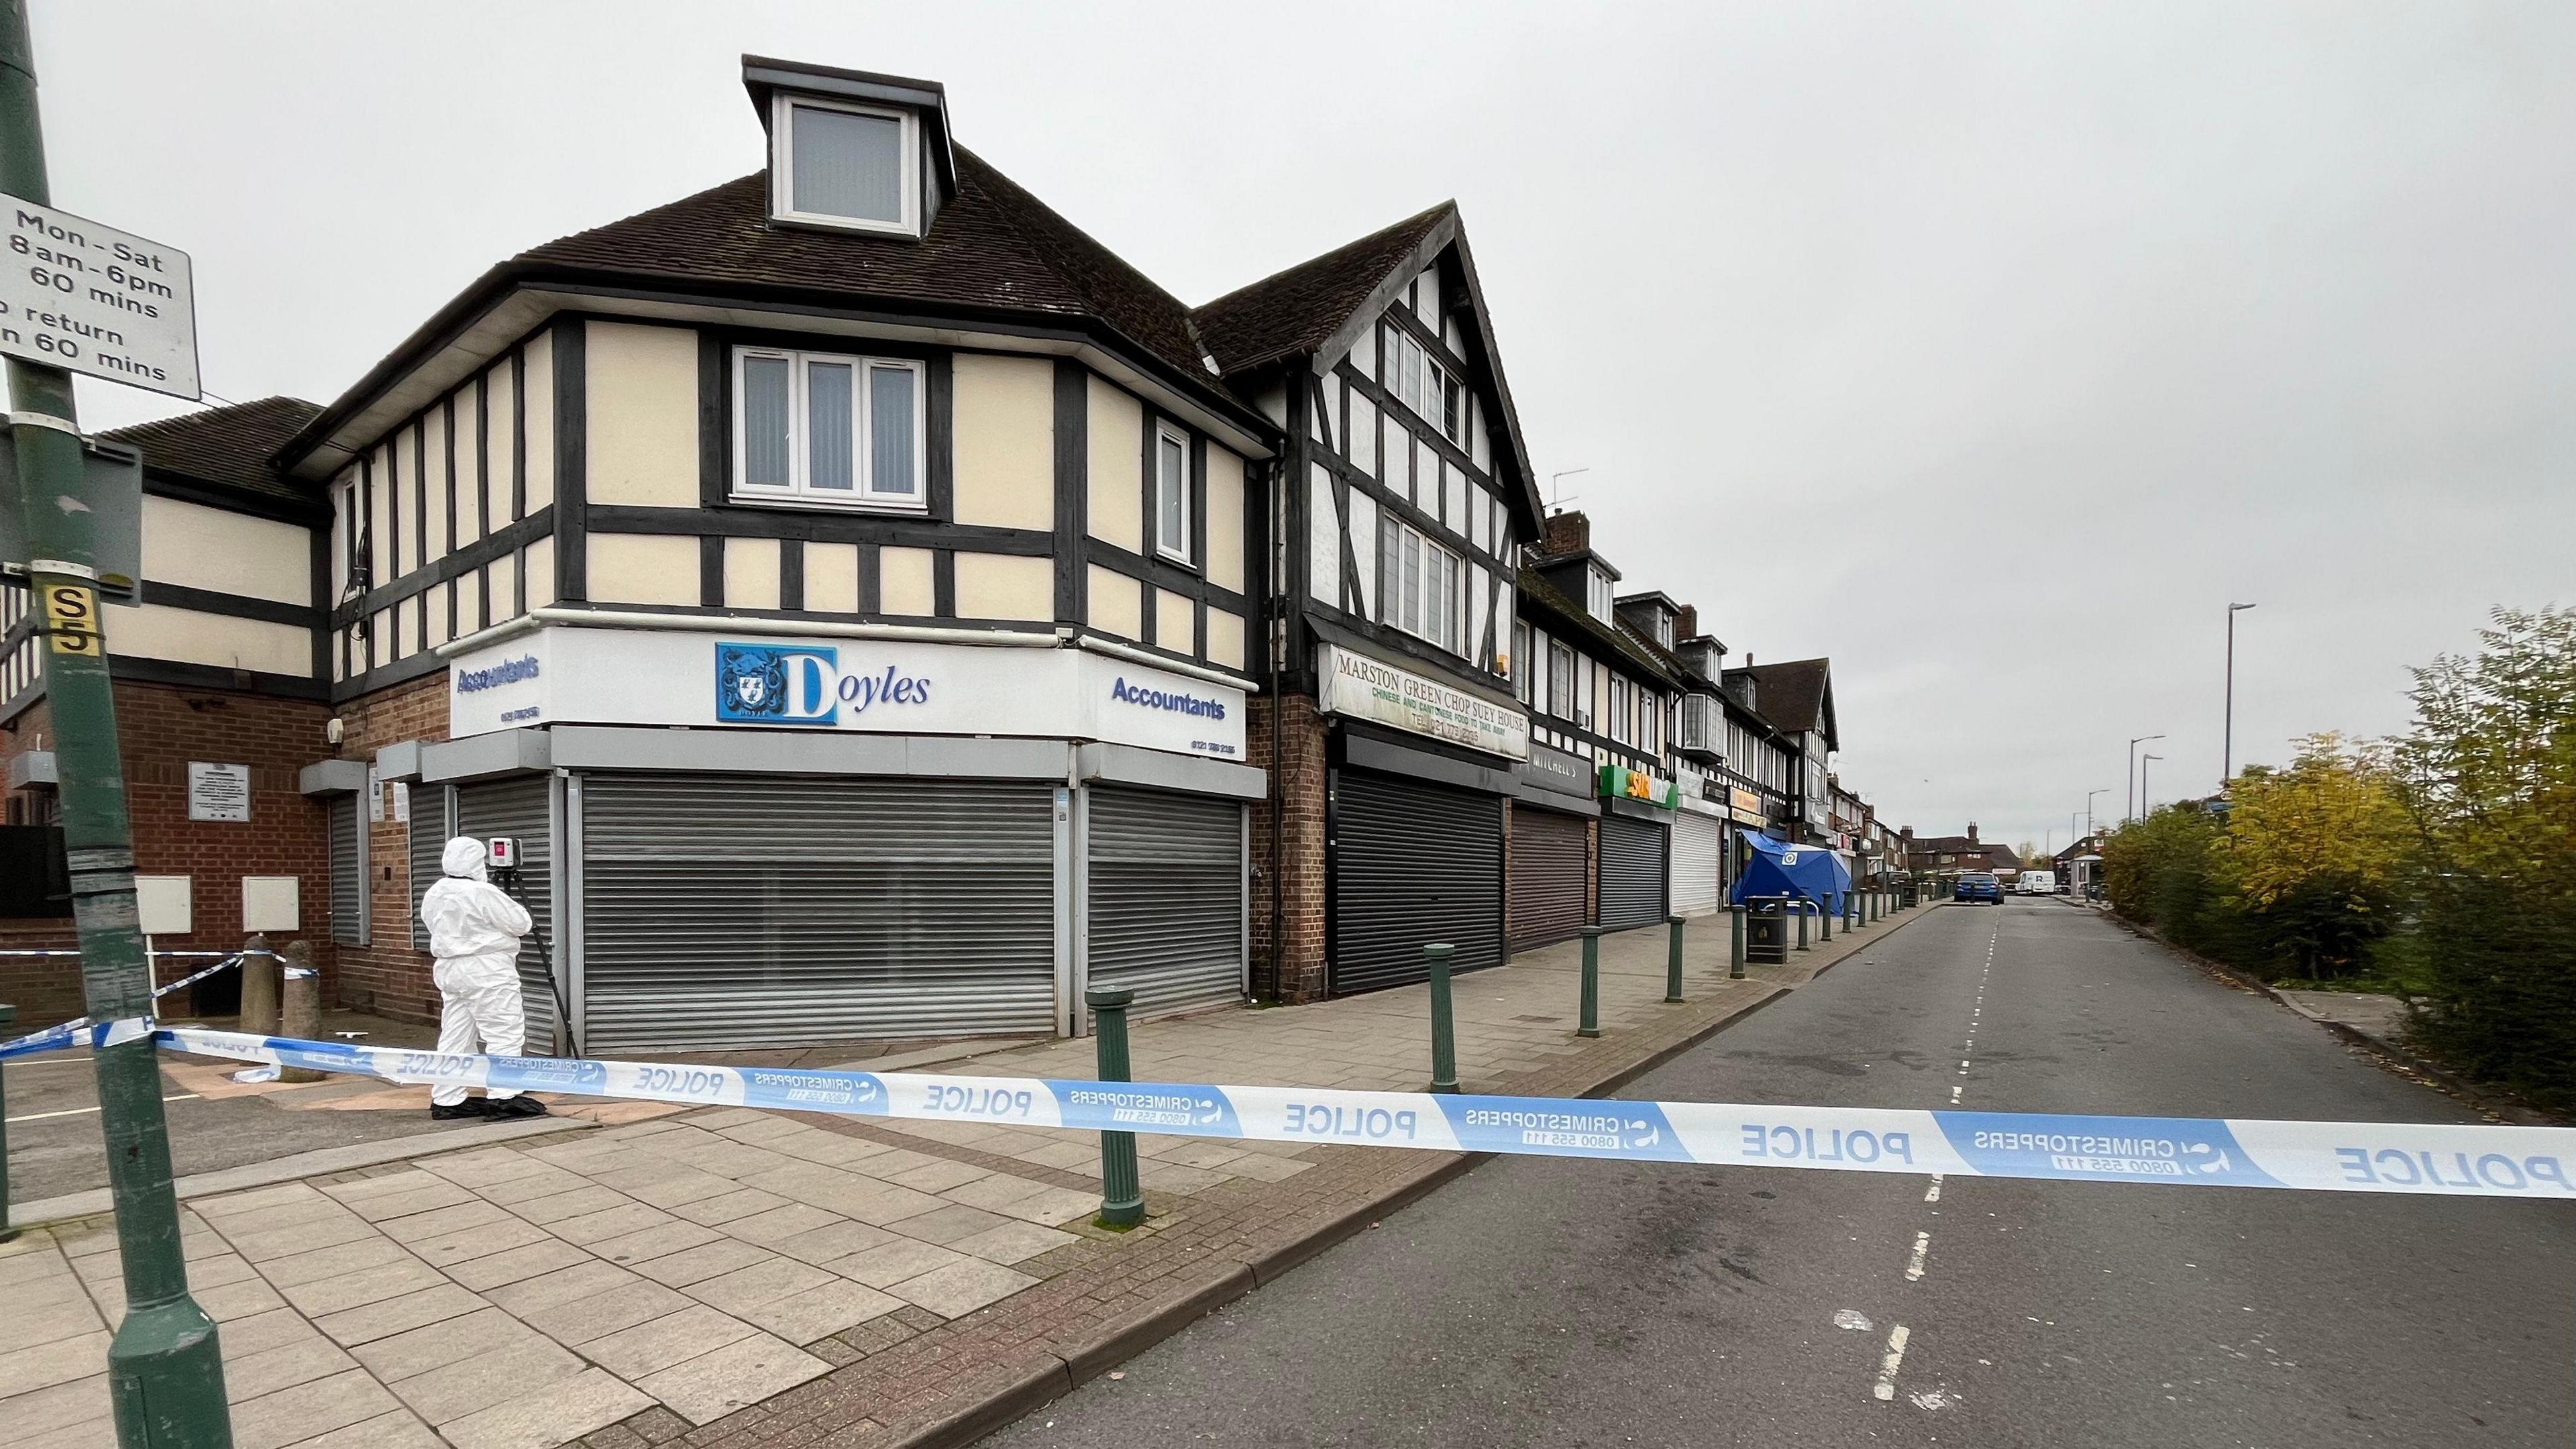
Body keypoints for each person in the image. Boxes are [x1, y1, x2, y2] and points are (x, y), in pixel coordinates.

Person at [419, 837, 547, 1121]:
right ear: (477, 862)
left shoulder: (435, 892)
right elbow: (522, 923)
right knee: (504, 1031)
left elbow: (430, 923)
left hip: (449, 969)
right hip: (487, 969)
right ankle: (504, 1097)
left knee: (456, 1034)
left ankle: (447, 1098)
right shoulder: (482, 892)